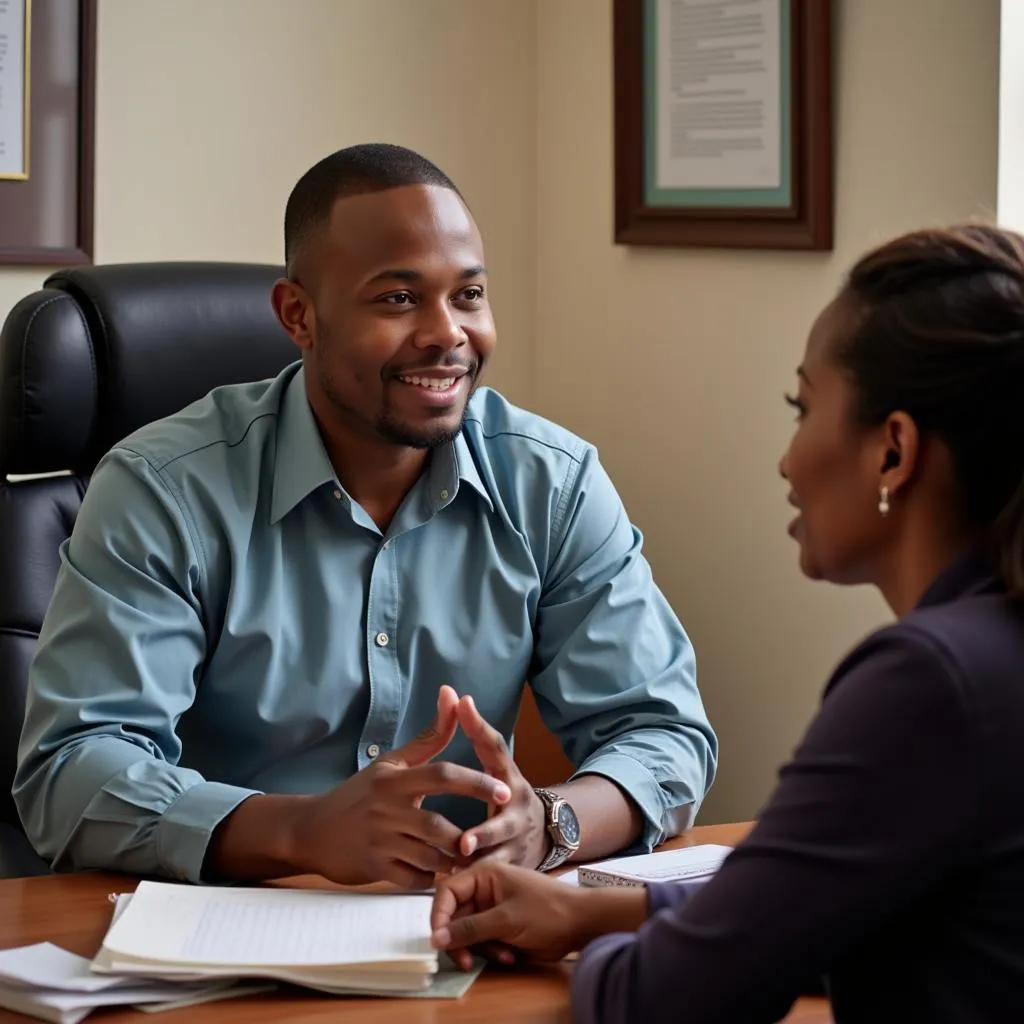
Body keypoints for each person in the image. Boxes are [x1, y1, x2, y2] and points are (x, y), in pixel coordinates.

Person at [12, 143, 716, 889]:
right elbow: (72, 772)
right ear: (299, 315)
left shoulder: (552, 482)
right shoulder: (163, 490)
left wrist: (550, 823)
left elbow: (662, 733)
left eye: (469, 295)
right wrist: (303, 831)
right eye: (399, 299)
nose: (448, 333)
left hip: (457, 933)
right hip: (221, 930)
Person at [429, 223, 1024, 1023]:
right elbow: (821, 912)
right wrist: (590, 914)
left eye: (803, 406)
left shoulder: (930, 684)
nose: (787, 459)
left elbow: (666, 997)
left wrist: (612, 953)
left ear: (893, 453)